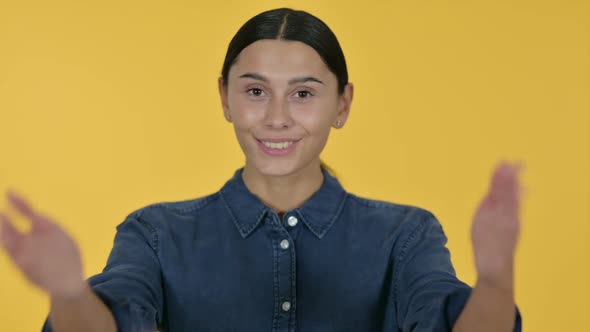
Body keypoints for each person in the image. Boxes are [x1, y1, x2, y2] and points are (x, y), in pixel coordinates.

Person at [0, 7, 523, 332]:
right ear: (224, 98)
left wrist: (497, 278)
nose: (276, 117)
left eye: (303, 93)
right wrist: (69, 292)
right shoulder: (154, 234)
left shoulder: (406, 236)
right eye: (255, 91)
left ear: (342, 105)